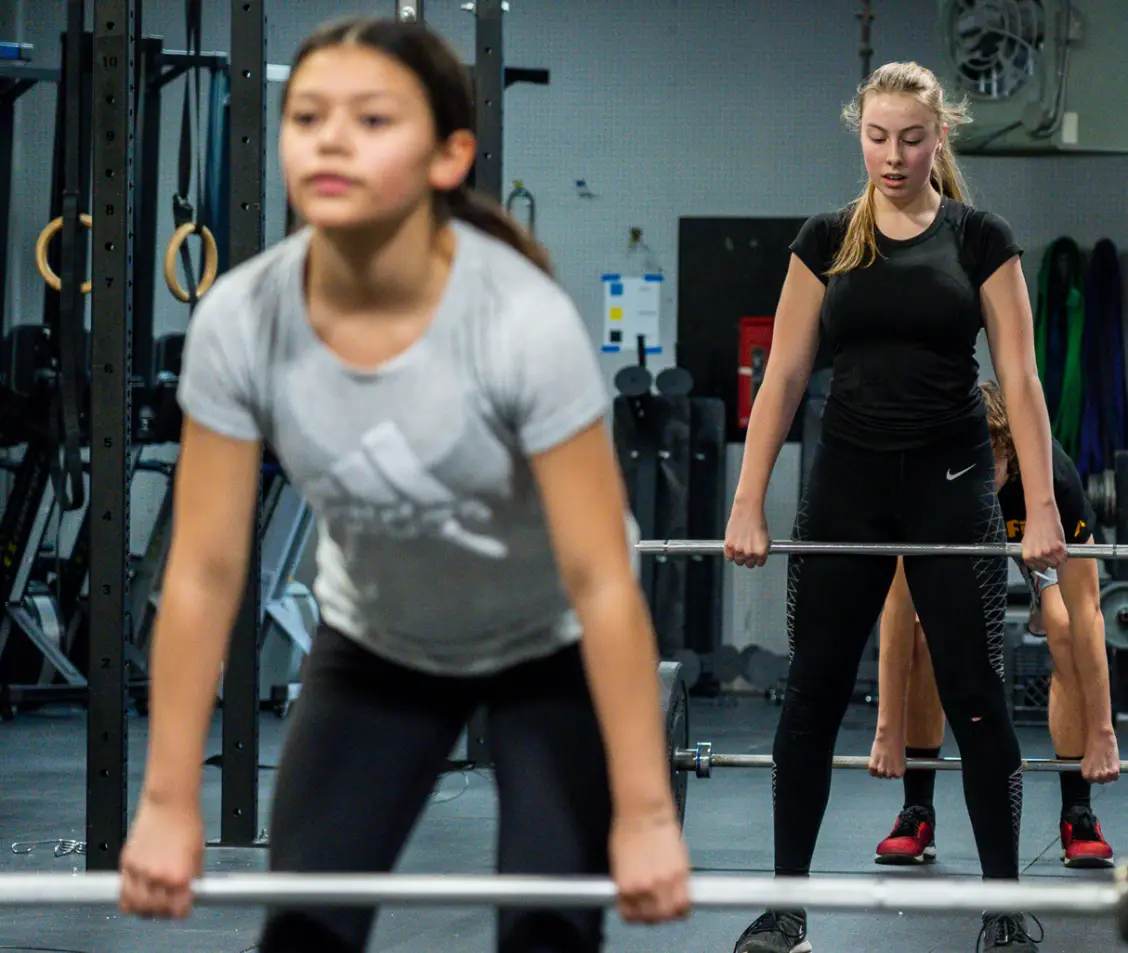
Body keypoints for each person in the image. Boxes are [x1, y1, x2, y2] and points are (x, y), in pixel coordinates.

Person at [114, 18, 690, 952]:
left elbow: (598, 578)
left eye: (373, 119)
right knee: (303, 933)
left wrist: (646, 810)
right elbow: (205, 573)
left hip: (552, 644)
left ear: (449, 154)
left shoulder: (518, 320)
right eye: (307, 118)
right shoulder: (242, 319)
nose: (331, 139)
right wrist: (169, 801)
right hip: (378, 644)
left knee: (549, 933)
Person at [722, 61, 1064, 953]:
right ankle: (785, 908)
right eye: (877, 136)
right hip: (846, 484)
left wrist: (1045, 511)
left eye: (911, 137)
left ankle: (1003, 906)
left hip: (950, 488)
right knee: (812, 693)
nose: (893, 154)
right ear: (859, 135)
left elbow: (1020, 380)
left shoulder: (978, 235)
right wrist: (748, 499)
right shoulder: (827, 237)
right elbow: (785, 374)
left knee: (977, 693)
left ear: (938, 136)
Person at [867, 382, 1120, 871]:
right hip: (958, 541)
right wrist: (887, 731)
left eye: (994, 469)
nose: (982, 482)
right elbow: (896, 609)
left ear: (1013, 455)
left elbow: (1089, 609)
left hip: (1035, 540)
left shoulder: (1053, 479)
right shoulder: (927, 479)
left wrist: (1104, 734)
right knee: (923, 632)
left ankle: (1078, 813)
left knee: (1064, 628)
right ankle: (916, 809)